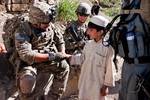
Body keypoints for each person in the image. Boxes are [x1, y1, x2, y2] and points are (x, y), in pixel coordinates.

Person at [13, 1, 71, 100]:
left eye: (49, 23)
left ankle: (53, 97)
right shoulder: (23, 30)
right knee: (27, 80)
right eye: (45, 23)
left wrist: (62, 53)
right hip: (29, 63)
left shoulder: (49, 26)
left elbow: (60, 40)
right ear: (35, 22)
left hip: (47, 58)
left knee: (64, 68)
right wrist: (52, 56)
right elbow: (26, 55)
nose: (48, 25)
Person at [70, 15, 115, 100]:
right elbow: (82, 59)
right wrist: (69, 58)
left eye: (91, 30)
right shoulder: (88, 44)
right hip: (84, 82)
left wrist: (105, 87)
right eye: (88, 29)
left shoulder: (108, 49)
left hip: (97, 87)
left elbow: (110, 69)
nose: (87, 32)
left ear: (100, 32)